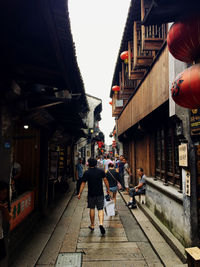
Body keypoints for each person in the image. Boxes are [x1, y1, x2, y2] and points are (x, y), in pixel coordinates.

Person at [78, 158, 110, 235]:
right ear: (96, 163)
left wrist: (80, 193)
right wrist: (108, 189)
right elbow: (105, 180)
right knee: (100, 208)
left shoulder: (87, 172)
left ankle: (92, 225)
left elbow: (83, 183)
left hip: (91, 194)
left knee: (92, 208)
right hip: (100, 193)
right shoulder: (100, 171)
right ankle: (101, 223)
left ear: (89, 164)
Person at [0, 181, 11, 267]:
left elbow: (8, 218)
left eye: (6, 193)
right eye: (3, 193)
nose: (5, 196)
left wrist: (3, 209)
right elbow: (8, 218)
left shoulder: (3, 205)